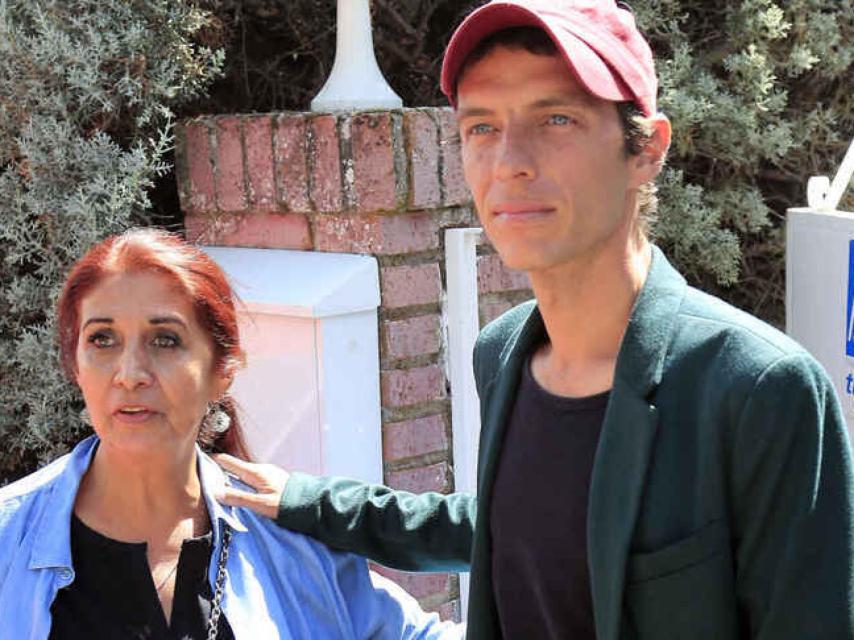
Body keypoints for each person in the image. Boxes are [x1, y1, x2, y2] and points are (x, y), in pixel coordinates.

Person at [216, 1, 854, 638]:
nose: (509, 162)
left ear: (647, 151)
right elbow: (514, 526)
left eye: (556, 119)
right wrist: (311, 503)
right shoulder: (503, 354)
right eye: (482, 128)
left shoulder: (759, 389)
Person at [0, 228, 461, 639]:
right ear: (75, 366)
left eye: (165, 340)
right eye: (102, 339)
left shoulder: (293, 547)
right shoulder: (9, 541)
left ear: (223, 371)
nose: (130, 373)